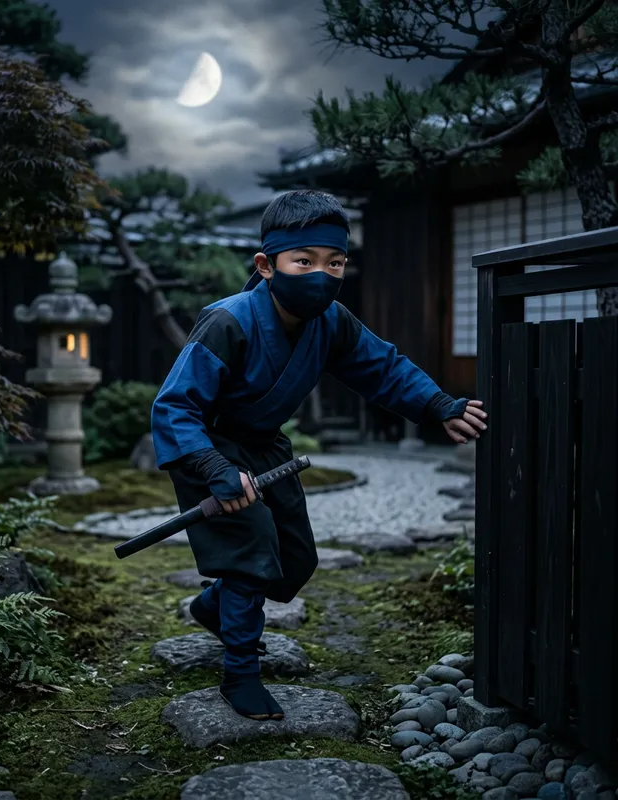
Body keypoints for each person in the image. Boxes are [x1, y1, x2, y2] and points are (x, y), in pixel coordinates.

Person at [150, 189, 487, 721]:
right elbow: (173, 407)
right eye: (303, 261)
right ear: (266, 265)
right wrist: (215, 470)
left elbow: (383, 368)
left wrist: (438, 404)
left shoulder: (333, 321)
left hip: (265, 447)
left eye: (335, 263)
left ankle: (212, 607)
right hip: (209, 446)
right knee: (249, 554)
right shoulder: (228, 321)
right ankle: (239, 673)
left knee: (295, 558)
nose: (321, 275)